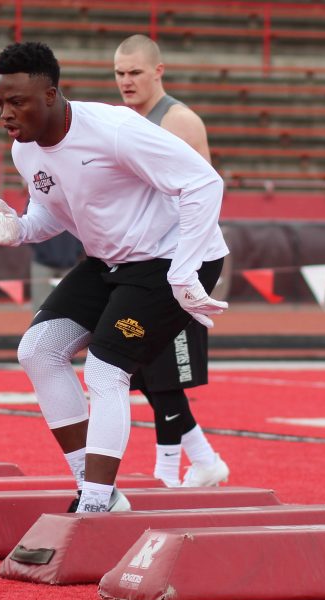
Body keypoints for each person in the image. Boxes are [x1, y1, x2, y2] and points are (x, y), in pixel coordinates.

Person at [0, 42, 229, 513]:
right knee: (37, 349)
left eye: (18, 102)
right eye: (0, 104)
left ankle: (95, 503)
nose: (6, 115)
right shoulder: (24, 152)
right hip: (111, 261)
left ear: (51, 95)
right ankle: (97, 491)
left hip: (168, 259)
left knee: (104, 367)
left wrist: (184, 267)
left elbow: (203, 183)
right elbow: (53, 215)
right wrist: (18, 230)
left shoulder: (115, 129)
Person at [114, 34, 229, 487]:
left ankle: (168, 472)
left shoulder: (180, 122)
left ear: (158, 72)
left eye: (135, 73)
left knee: (161, 370)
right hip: (138, 260)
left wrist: (185, 268)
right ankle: (202, 458)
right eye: (119, 73)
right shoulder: (120, 120)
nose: (126, 81)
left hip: (181, 261)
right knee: (131, 364)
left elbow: (205, 197)